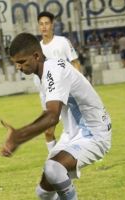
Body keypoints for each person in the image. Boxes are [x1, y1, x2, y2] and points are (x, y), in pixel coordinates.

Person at [1, 33, 112, 200]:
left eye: (21, 62)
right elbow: (50, 114)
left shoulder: (54, 71)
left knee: (54, 169)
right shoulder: (42, 76)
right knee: (43, 192)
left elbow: (52, 116)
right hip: (71, 134)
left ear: (36, 56)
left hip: (94, 133)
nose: (18, 67)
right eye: (15, 63)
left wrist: (18, 137)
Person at [36, 11, 82, 152]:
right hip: (46, 95)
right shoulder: (36, 48)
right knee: (48, 132)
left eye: (47, 23)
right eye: (41, 24)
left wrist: (78, 86)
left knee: (72, 131)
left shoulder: (62, 42)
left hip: (64, 94)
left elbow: (75, 63)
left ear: (52, 25)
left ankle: (84, 154)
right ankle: (54, 160)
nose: (44, 27)